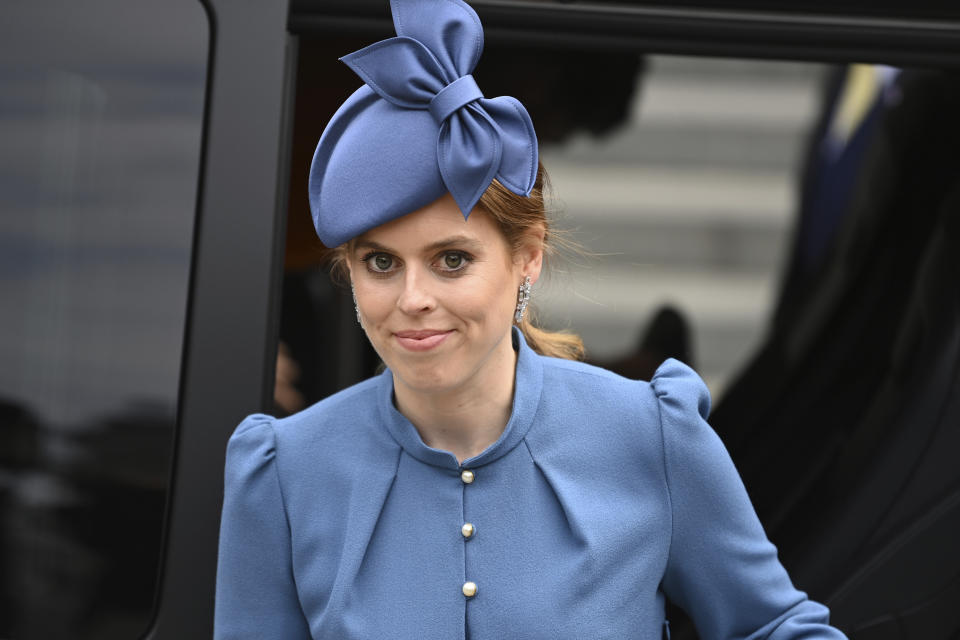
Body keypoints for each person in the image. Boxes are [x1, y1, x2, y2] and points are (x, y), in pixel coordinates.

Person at [214, 0, 849, 637]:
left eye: (452, 260)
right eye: (380, 262)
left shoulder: (649, 436)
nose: (411, 298)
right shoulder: (283, 471)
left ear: (528, 259)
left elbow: (775, 628)